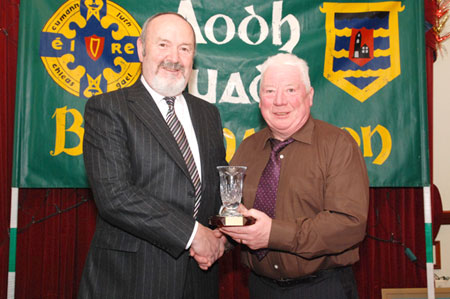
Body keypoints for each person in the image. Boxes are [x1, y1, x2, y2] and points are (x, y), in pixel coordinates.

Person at [78, 12, 227, 299]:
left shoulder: (208, 114)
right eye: (163, 45)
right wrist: (195, 235)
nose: (174, 57)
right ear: (141, 49)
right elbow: (116, 196)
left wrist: (223, 237)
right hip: (130, 280)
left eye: (184, 48)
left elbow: (218, 192)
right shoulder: (108, 108)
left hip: (199, 279)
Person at [220, 53, 369, 299]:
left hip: (322, 289)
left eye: (290, 90)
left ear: (309, 96)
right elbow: (237, 213)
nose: (279, 101)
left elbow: (349, 224)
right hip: (260, 288)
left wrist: (273, 234)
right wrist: (220, 239)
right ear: (259, 100)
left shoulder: (338, 145)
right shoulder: (247, 149)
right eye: (269, 91)